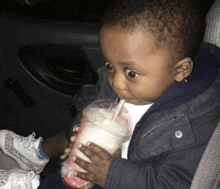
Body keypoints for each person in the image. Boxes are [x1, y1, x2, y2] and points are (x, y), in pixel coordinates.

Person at [1, 0, 220, 188]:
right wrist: (82, 132)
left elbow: (176, 183)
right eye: (109, 65)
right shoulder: (133, 85)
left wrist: (112, 174)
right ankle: (37, 154)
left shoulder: (195, 123)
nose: (115, 81)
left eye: (131, 72)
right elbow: (96, 100)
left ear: (180, 71)